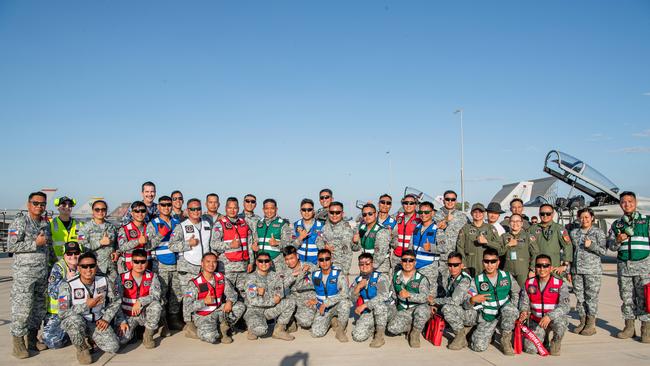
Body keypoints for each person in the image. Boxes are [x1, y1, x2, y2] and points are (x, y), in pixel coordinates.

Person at [8, 191, 51, 359]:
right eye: (36, 203)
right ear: (28, 204)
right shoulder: (20, 222)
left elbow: (48, 247)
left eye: (42, 204)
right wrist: (35, 243)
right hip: (24, 275)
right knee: (23, 309)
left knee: (38, 309)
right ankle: (18, 344)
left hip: (41, 273)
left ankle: (32, 340)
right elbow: (12, 246)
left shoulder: (44, 224)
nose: (39, 206)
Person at [59, 252, 121, 364]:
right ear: (78, 267)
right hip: (78, 321)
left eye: (92, 266)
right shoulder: (67, 285)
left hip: (97, 321)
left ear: (96, 266)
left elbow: (116, 301)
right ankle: (82, 348)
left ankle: (91, 339)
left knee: (113, 347)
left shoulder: (105, 280)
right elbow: (62, 312)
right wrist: (86, 306)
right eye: (84, 266)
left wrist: (106, 318)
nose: (88, 269)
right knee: (74, 321)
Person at [608, 191, 650, 343]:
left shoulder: (647, 221)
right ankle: (629, 328)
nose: (627, 204)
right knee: (626, 298)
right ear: (620, 205)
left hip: (644, 266)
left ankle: (646, 329)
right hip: (624, 267)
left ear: (636, 202)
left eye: (630, 201)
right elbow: (611, 247)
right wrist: (618, 240)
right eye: (624, 202)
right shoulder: (617, 224)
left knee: (645, 298)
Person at [168, 198, 213, 337]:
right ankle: (189, 325)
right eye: (192, 209)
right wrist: (188, 243)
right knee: (188, 297)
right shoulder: (181, 226)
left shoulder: (207, 224)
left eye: (198, 209)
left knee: (202, 295)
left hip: (203, 268)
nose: (196, 211)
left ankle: (199, 320)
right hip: (187, 267)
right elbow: (171, 245)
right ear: (187, 211)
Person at [468, 248, 520, 355]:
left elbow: (516, 292)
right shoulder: (477, 280)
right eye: (486, 261)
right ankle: (490, 333)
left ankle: (505, 339)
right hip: (488, 318)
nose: (489, 265)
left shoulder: (506, 276)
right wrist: (472, 299)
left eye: (493, 261)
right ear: (483, 262)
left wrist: (514, 308)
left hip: (504, 316)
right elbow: (467, 299)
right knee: (477, 346)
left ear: (498, 262)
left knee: (510, 310)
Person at [186, 252, 245, 344]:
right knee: (211, 337)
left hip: (219, 311)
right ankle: (216, 330)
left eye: (214, 262)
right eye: (208, 262)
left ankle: (223, 327)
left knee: (240, 306)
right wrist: (204, 302)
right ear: (202, 263)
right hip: (204, 316)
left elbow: (232, 294)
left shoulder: (220, 277)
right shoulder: (194, 283)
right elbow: (187, 307)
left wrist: (229, 301)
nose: (211, 265)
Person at [519, 254, 570, 356]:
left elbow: (565, 307)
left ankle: (555, 342)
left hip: (553, 319)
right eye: (539, 266)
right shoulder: (529, 283)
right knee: (531, 350)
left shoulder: (560, 283)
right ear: (535, 268)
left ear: (550, 268)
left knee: (561, 323)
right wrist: (524, 312)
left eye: (545, 266)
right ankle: (544, 338)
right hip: (536, 320)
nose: (542, 269)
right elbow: (524, 303)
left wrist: (549, 316)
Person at [147, 196, 183, 332]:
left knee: (176, 294)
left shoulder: (176, 222)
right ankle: (162, 323)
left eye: (169, 205)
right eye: (163, 205)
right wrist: (160, 234)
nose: (166, 207)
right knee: (161, 295)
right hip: (160, 265)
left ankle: (173, 320)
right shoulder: (153, 223)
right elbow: (148, 245)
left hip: (176, 263)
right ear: (158, 207)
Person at [570, 207, 607, 336]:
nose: (584, 220)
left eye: (587, 217)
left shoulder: (598, 232)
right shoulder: (574, 233)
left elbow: (603, 251)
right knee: (580, 298)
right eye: (582, 217)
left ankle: (591, 324)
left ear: (592, 218)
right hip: (577, 271)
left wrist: (591, 245)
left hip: (592, 271)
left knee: (591, 297)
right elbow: (571, 252)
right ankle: (582, 320)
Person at [114, 249, 162, 348]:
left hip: (145, 313)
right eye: (136, 261)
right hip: (128, 315)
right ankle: (134, 332)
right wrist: (122, 321)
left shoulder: (152, 276)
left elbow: (156, 295)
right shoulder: (122, 278)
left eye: (143, 261)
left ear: (147, 262)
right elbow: (116, 302)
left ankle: (148, 335)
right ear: (131, 262)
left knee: (156, 305)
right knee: (121, 340)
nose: (139, 265)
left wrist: (140, 301)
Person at [243, 252, 296, 341]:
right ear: (256, 262)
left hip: (269, 309)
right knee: (261, 331)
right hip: (254, 311)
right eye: (261, 261)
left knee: (290, 302)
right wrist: (272, 300)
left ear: (270, 263)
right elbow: (253, 301)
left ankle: (279, 330)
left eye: (266, 261)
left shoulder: (275, 275)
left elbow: (279, 292)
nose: (264, 263)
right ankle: (252, 328)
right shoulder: (250, 278)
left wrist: (263, 295)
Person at [387, 249, 430, 348]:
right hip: (403, 310)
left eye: (410, 260)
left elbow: (425, 298)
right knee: (392, 329)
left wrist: (410, 295)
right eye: (404, 260)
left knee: (422, 311)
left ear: (415, 262)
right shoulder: (396, 276)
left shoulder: (421, 278)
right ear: (401, 262)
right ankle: (411, 326)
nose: (407, 263)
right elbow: (392, 294)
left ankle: (415, 333)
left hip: (417, 308)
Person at [210, 197, 254, 294]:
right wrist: (230, 245)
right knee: (227, 296)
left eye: (235, 208)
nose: (232, 210)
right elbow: (213, 244)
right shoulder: (219, 225)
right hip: (227, 268)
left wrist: (251, 262)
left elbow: (249, 244)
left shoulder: (244, 224)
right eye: (230, 208)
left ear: (238, 209)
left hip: (243, 267)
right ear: (225, 208)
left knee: (243, 295)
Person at [434, 252, 477, 350]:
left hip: (473, 313)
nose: (452, 268)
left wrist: (434, 301)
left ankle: (460, 335)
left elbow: (454, 301)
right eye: (450, 265)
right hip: (463, 310)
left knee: (447, 309)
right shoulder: (453, 277)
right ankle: (467, 330)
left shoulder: (464, 280)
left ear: (461, 265)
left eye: (456, 265)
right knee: (440, 309)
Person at [43, 242, 80, 349]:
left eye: (76, 253)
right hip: (57, 313)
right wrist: (66, 280)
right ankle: (67, 333)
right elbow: (52, 293)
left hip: (77, 311)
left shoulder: (84, 266)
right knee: (54, 343)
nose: (73, 256)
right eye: (69, 253)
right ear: (64, 255)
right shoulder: (58, 267)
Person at [349, 253, 391, 347]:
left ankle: (379, 337)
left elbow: (383, 296)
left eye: (367, 263)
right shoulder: (358, 280)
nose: (364, 266)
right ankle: (374, 326)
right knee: (357, 336)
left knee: (380, 306)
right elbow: (351, 298)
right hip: (369, 312)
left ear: (372, 264)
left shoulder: (380, 277)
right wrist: (358, 288)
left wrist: (364, 305)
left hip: (386, 310)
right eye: (361, 264)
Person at [309, 249, 351, 342]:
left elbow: (345, 293)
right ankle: (332, 320)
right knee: (316, 333)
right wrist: (313, 299)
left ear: (331, 260)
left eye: (327, 259)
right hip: (323, 308)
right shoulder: (314, 275)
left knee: (345, 303)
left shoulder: (338, 274)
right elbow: (309, 288)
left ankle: (340, 330)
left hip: (336, 305)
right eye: (321, 260)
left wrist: (326, 303)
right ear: (318, 261)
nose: (324, 262)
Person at [434, 190, 469, 289]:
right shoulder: (436, 215)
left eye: (452, 199)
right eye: (447, 199)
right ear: (443, 200)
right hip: (441, 258)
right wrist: (445, 219)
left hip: (457, 258)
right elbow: (431, 230)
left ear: (456, 201)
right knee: (441, 285)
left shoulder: (462, 217)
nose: (450, 201)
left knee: (456, 285)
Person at [456, 203, 501, 277]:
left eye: (480, 212)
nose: (478, 214)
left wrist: (487, 242)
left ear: (484, 214)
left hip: (486, 263)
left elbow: (499, 247)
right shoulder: (465, 228)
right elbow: (460, 247)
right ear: (471, 213)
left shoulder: (490, 228)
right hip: (469, 263)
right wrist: (463, 264)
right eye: (475, 212)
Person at [78, 200, 119, 280]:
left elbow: (117, 244)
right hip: (95, 269)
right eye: (97, 209)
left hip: (111, 269)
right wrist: (100, 243)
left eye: (103, 209)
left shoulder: (111, 227)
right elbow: (81, 247)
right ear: (93, 211)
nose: (100, 212)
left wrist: (116, 252)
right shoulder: (84, 229)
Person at [411, 201, 444, 298]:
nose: (423, 215)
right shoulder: (417, 227)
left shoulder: (437, 229)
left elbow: (444, 249)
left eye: (426, 212)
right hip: (416, 266)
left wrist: (431, 248)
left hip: (429, 267)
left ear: (432, 213)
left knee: (430, 295)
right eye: (421, 212)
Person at [280, 246, 317, 331]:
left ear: (297, 256)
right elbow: (281, 286)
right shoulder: (284, 270)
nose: (290, 262)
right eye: (287, 259)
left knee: (306, 322)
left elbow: (320, 282)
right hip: (294, 298)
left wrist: (317, 299)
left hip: (309, 298)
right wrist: (293, 275)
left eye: (292, 258)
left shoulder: (309, 266)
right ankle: (291, 320)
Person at [499, 213, 539, 287]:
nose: (515, 223)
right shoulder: (504, 237)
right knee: (508, 291)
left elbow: (535, 253)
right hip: (508, 269)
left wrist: (532, 270)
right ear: (509, 223)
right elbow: (499, 252)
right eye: (512, 221)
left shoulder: (528, 236)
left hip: (523, 270)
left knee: (524, 292)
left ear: (521, 223)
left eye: (517, 221)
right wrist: (508, 245)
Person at [529, 204, 573, 271]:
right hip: (537, 268)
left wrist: (565, 265)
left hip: (553, 267)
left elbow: (567, 245)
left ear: (553, 214)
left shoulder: (559, 228)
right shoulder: (532, 229)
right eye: (542, 213)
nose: (545, 216)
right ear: (539, 214)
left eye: (548, 214)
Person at [315, 201, 354, 275]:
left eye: (337, 212)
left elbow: (351, 250)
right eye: (332, 212)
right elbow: (318, 240)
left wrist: (344, 273)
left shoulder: (347, 229)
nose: (334, 215)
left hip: (340, 269)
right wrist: (324, 247)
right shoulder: (325, 227)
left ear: (342, 213)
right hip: (325, 267)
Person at [253, 198, 292, 270]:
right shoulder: (258, 223)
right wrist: (255, 246)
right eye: (266, 208)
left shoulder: (283, 224)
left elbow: (289, 245)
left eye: (272, 208)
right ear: (263, 209)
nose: (269, 211)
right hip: (261, 263)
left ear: (276, 209)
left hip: (277, 262)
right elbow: (255, 241)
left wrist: (277, 243)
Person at [352, 203, 391, 273]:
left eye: (370, 214)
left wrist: (369, 268)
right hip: (365, 267)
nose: (367, 216)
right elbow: (355, 248)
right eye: (364, 214)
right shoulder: (361, 228)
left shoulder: (382, 231)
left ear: (375, 214)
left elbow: (380, 255)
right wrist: (355, 242)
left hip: (380, 268)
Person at [117, 201, 152, 274]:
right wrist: (138, 241)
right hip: (129, 267)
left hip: (148, 267)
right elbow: (122, 247)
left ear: (146, 212)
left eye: (143, 211)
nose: (140, 213)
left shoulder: (150, 228)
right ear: (132, 213)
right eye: (136, 211)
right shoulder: (124, 229)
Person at [391, 194, 421, 271]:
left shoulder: (421, 219)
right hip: (397, 257)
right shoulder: (396, 217)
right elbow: (383, 219)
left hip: (411, 259)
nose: (408, 205)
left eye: (411, 203)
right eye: (406, 203)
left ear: (416, 204)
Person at [50, 196, 83, 263]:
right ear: (58, 207)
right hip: (56, 262)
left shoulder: (79, 225)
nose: (67, 207)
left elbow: (83, 242)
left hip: (74, 263)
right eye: (64, 205)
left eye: (70, 205)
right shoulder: (50, 224)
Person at [293, 198, 324, 266]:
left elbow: (324, 249)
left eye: (309, 210)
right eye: (304, 210)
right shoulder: (295, 225)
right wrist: (300, 238)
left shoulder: (321, 226)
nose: (306, 212)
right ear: (300, 211)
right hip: (299, 265)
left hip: (316, 266)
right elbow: (291, 248)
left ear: (313, 211)